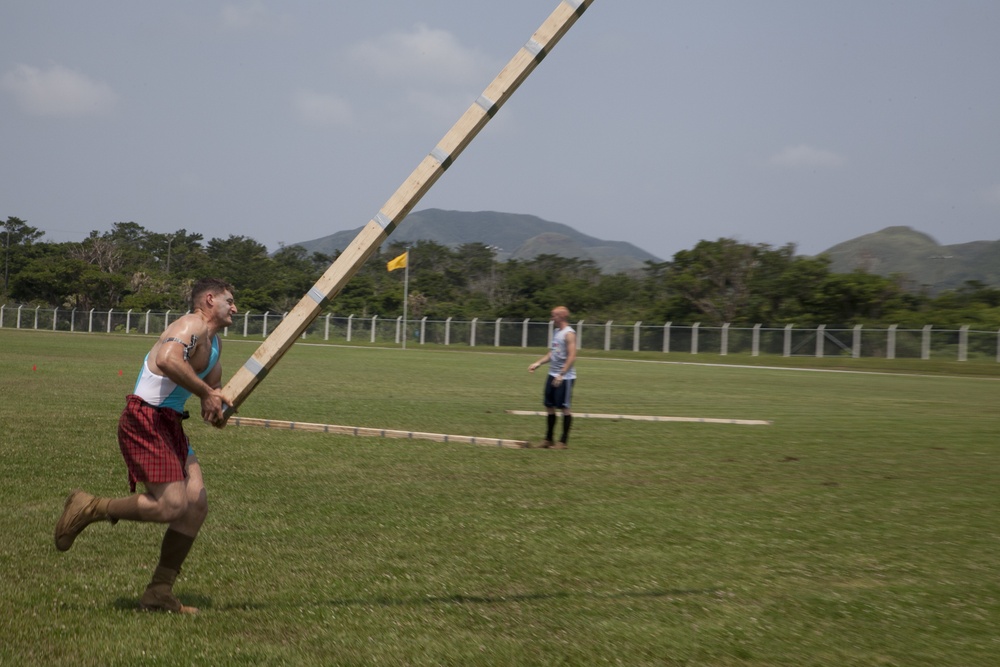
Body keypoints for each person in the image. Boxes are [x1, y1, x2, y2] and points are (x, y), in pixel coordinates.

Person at [54, 278, 237, 614]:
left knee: (195, 505)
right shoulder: (190, 324)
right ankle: (90, 506)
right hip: (146, 418)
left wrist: (217, 407)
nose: (235, 308)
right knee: (169, 505)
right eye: (230, 300)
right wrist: (206, 394)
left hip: (169, 423)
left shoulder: (215, 345)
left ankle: (158, 592)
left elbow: (212, 389)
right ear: (210, 300)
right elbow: (168, 358)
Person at [527, 305, 577, 449]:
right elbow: (552, 353)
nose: (551, 318)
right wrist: (538, 363)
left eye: (553, 315)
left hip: (565, 377)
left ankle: (563, 442)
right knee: (549, 406)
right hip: (552, 374)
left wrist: (561, 374)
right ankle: (548, 439)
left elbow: (572, 356)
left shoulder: (569, 333)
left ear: (561, 316)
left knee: (564, 408)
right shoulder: (556, 332)